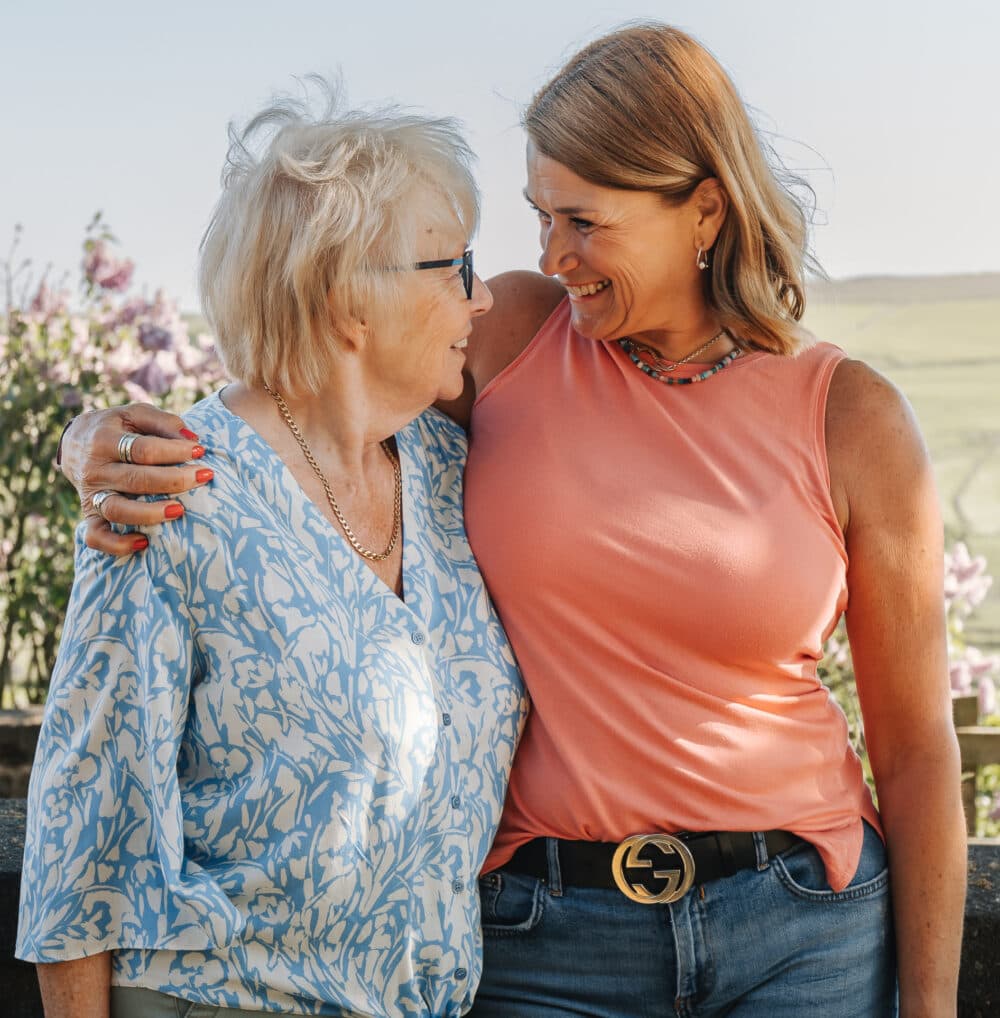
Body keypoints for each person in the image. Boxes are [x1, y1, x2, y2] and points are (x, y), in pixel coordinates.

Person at [54, 23, 966, 1018]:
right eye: (540, 218)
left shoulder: (852, 417)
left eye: (583, 221)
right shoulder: (519, 334)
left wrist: (928, 1009)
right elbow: (311, 361)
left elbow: (917, 751)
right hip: (546, 936)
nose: (551, 256)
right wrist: (94, 437)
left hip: (802, 928)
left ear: (703, 210)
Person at [16, 87, 527, 1018]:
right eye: (453, 266)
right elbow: (83, 836)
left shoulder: (454, 471)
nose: (483, 295)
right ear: (347, 300)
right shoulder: (176, 492)